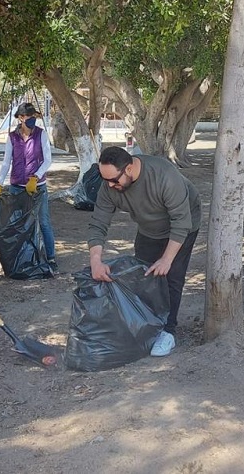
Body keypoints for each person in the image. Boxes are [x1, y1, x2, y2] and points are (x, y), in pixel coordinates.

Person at [87, 146, 201, 358]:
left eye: (114, 180)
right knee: (143, 274)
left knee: (171, 276)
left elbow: (181, 222)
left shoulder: (164, 176)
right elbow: (98, 224)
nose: (110, 186)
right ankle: (145, 326)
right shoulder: (109, 185)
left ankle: (168, 331)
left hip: (184, 223)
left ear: (129, 169)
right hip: (149, 228)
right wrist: (96, 260)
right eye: (105, 180)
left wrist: (167, 259)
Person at [0, 102, 58, 273]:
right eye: (29, 117)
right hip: (16, 187)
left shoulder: (41, 135)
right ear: (21, 118)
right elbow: (7, 162)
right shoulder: (12, 137)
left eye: (34, 117)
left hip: (38, 187)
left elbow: (48, 159)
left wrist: (36, 177)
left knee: (43, 221)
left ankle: (51, 257)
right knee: (19, 223)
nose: (32, 120)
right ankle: (23, 256)